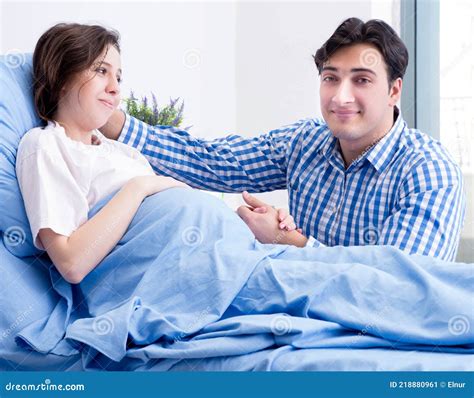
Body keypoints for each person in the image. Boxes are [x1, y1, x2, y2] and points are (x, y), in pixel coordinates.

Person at [100, 17, 466, 261]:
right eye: (330, 78)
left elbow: (397, 286)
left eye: (362, 80)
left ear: (394, 91)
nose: (340, 97)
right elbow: (216, 163)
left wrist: (292, 243)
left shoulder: (427, 171)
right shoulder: (305, 141)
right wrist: (112, 121)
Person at [16, 23, 298, 284]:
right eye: (101, 71)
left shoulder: (121, 152)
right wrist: (140, 187)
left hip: (229, 253)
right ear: (62, 77)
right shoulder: (46, 145)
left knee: (328, 268)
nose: (115, 89)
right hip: (190, 275)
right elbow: (72, 263)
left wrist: (259, 229)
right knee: (325, 280)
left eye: (119, 77)